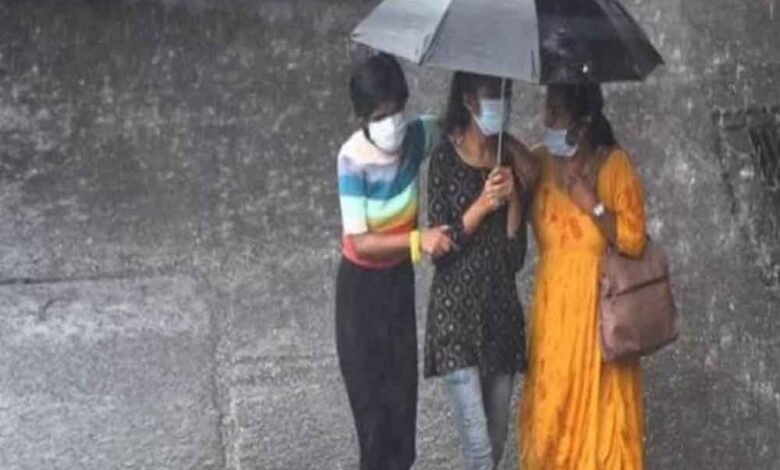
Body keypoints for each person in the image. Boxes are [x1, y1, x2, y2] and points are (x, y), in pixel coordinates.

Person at [517, 82, 647, 470]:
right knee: (550, 423)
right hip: (553, 319)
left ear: (583, 121)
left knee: (602, 431)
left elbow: (634, 240)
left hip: (600, 320)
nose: (547, 120)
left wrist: (594, 206)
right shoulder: (538, 163)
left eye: (556, 113)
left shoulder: (613, 165)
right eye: (547, 109)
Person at [335, 52, 451, 470]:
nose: (393, 123)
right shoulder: (351, 159)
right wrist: (420, 240)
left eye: (397, 110)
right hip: (360, 293)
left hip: (398, 286)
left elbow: (456, 126)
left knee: (402, 406)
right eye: (381, 116)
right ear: (363, 118)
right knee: (373, 416)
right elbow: (362, 242)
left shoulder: (416, 138)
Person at [424, 71, 538, 470]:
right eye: (492, 94)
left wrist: (514, 199)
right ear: (469, 99)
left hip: (500, 317)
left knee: (496, 437)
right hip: (456, 319)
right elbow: (440, 249)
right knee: (478, 450)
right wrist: (483, 204)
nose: (499, 104)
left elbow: (514, 258)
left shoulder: (506, 159)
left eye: (505, 93)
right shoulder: (444, 157)